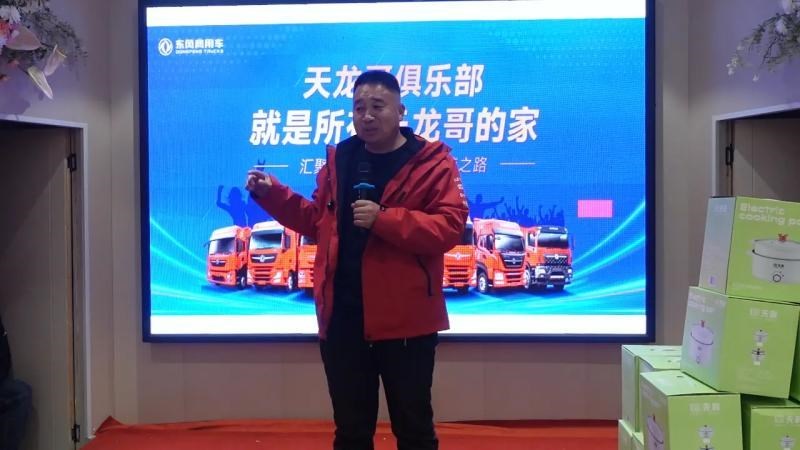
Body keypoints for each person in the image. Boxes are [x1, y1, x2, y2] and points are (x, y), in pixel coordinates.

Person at [246, 70, 468, 450]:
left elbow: (449, 227)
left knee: (414, 431)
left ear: (401, 111)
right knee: (350, 433)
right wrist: (273, 195)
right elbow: (317, 221)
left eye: (377, 106)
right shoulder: (342, 159)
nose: (367, 116)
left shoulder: (431, 163)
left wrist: (384, 219)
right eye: (359, 107)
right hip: (344, 320)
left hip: (406, 324)